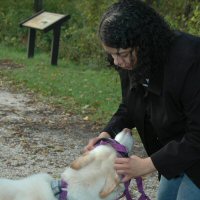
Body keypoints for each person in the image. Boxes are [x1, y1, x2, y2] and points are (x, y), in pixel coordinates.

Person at [84, 0, 200, 199]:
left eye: (121, 54)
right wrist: (108, 133)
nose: (117, 62)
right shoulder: (128, 62)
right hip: (176, 151)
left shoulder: (190, 60)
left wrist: (146, 165)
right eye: (111, 54)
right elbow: (131, 105)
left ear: (144, 43)